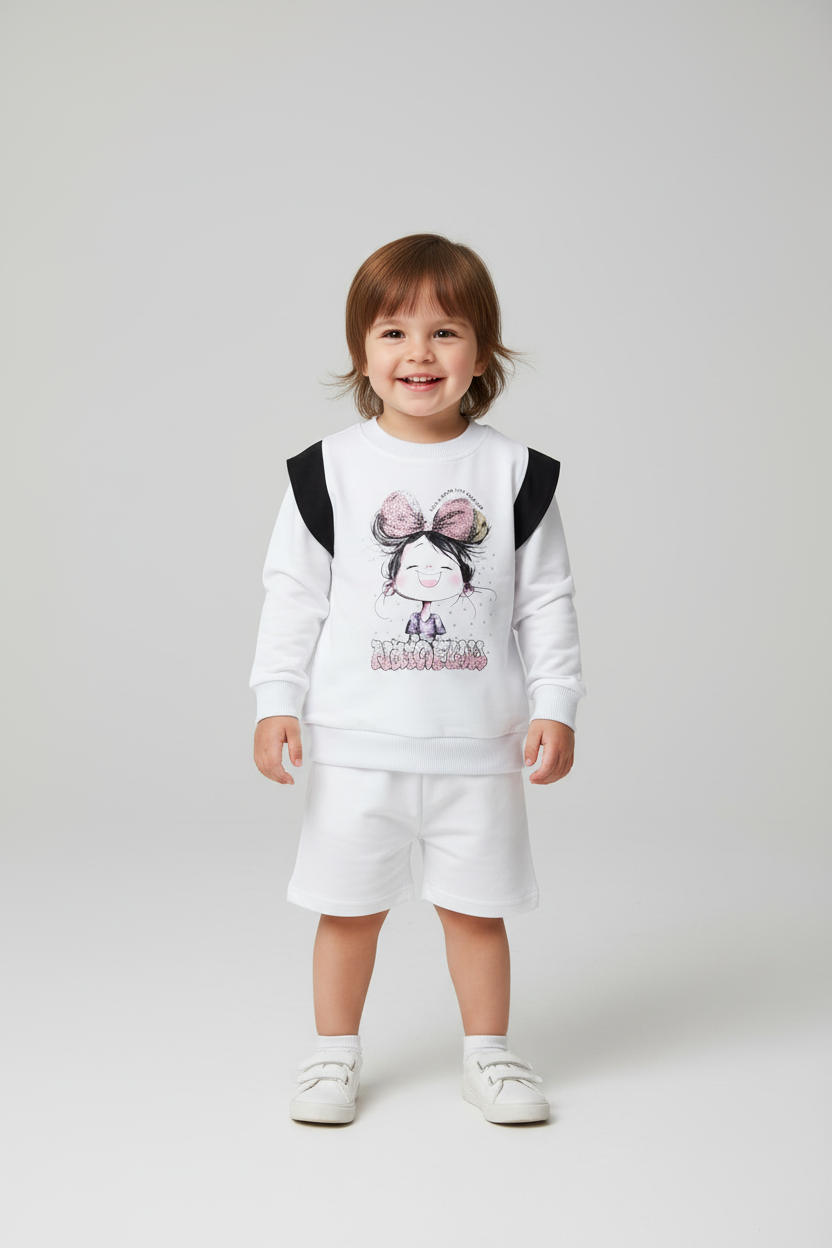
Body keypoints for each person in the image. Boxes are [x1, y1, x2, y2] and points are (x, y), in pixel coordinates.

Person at [250, 233, 586, 1125]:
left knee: (476, 912)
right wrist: (276, 701)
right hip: (357, 748)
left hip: (479, 748)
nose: (419, 354)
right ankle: (332, 1056)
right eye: (394, 332)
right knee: (346, 910)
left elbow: (546, 602)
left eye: (445, 332)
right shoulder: (327, 471)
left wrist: (556, 704)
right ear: (362, 350)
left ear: (481, 350)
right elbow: (293, 597)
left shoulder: (516, 475)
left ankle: (490, 1055)